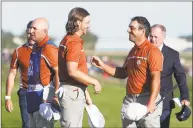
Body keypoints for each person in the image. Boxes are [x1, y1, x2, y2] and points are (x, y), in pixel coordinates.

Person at [91, 16, 163, 128]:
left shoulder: (152, 51)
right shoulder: (132, 52)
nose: (128, 30)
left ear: (142, 31)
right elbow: (123, 73)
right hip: (130, 100)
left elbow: (156, 79)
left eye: (132, 28)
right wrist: (103, 66)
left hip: (147, 99)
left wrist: (151, 103)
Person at [58, 7, 101, 127]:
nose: (89, 26)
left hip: (73, 90)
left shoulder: (67, 39)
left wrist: (85, 92)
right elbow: (72, 71)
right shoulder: (73, 42)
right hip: (72, 92)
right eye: (87, 22)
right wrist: (94, 81)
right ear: (78, 22)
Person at [150, 24, 190, 128]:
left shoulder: (173, 54)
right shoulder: (144, 52)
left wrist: (185, 98)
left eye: (156, 37)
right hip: (145, 100)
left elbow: (180, 76)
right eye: (151, 36)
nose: (152, 39)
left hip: (164, 102)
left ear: (163, 37)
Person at [27, 18, 59, 128]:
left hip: (43, 98)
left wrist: (56, 95)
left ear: (45, 31)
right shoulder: (36, 47)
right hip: (32, 99)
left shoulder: (49, 48)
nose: (30, 31)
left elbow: (59, 71)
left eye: (34, 28)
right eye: (30, 28)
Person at [5, 20, 34, 128]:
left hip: (43, 93)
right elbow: (12, 74)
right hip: (25, 93)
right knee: (27, 125)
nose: (31, 35)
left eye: (33, 33)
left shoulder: (47, 49)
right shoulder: (18, 51)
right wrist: (7, 97)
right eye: (29, 33)